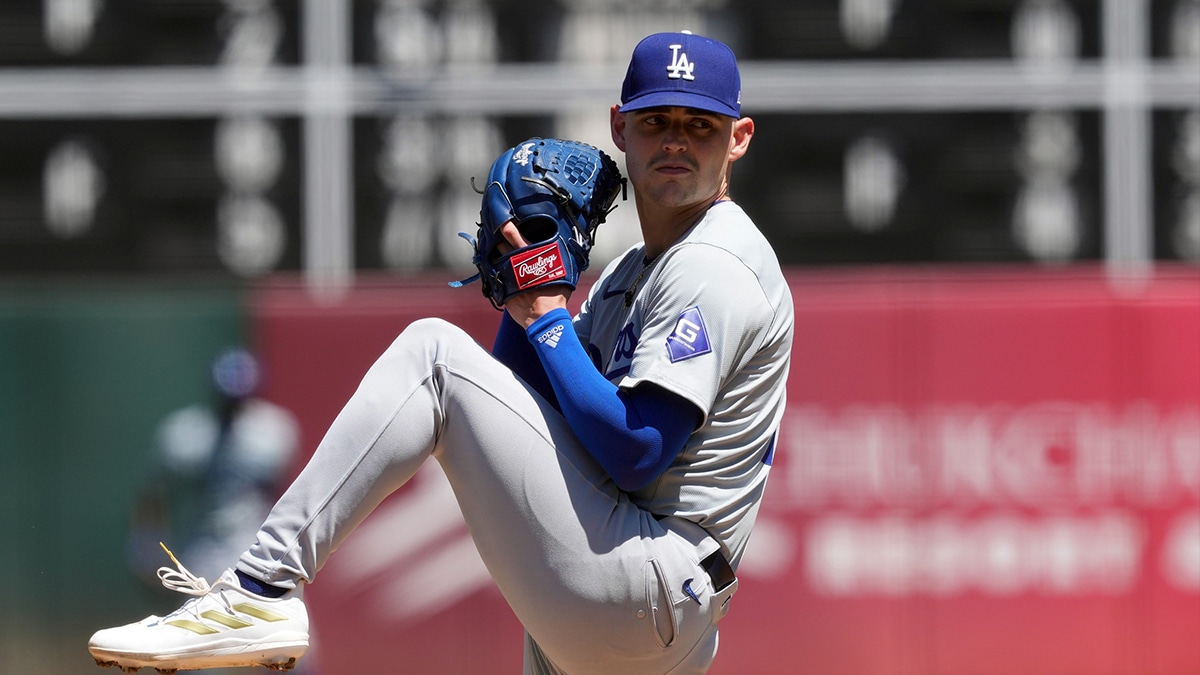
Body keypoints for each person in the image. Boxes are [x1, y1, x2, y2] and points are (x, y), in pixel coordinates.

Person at [89, 30, 793, 675]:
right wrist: (525, 298)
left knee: (432, 355)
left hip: (649, 581)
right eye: (656, 121)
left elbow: (637, 447)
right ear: (620, 127)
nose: (676, 141)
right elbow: (524, 410)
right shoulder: (633, 272)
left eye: (700, 126)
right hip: (641, 595)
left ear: (739, 138)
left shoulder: (714, 263)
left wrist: (548, 318)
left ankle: (258, 588)